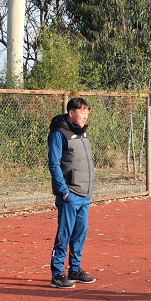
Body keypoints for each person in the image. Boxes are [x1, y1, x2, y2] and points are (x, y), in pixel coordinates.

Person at [48, 97, 97, 288]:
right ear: (71, 113)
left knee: (80, 234)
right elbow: (54, 163)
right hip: (70, 195)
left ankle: (74, 269)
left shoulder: (83, 134)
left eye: (87, 112)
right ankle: (57, 274)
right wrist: (63, 191)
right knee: (64, 235)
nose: (85, 116)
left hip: (85, 194)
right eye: (82, 112)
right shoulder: (59, 134)